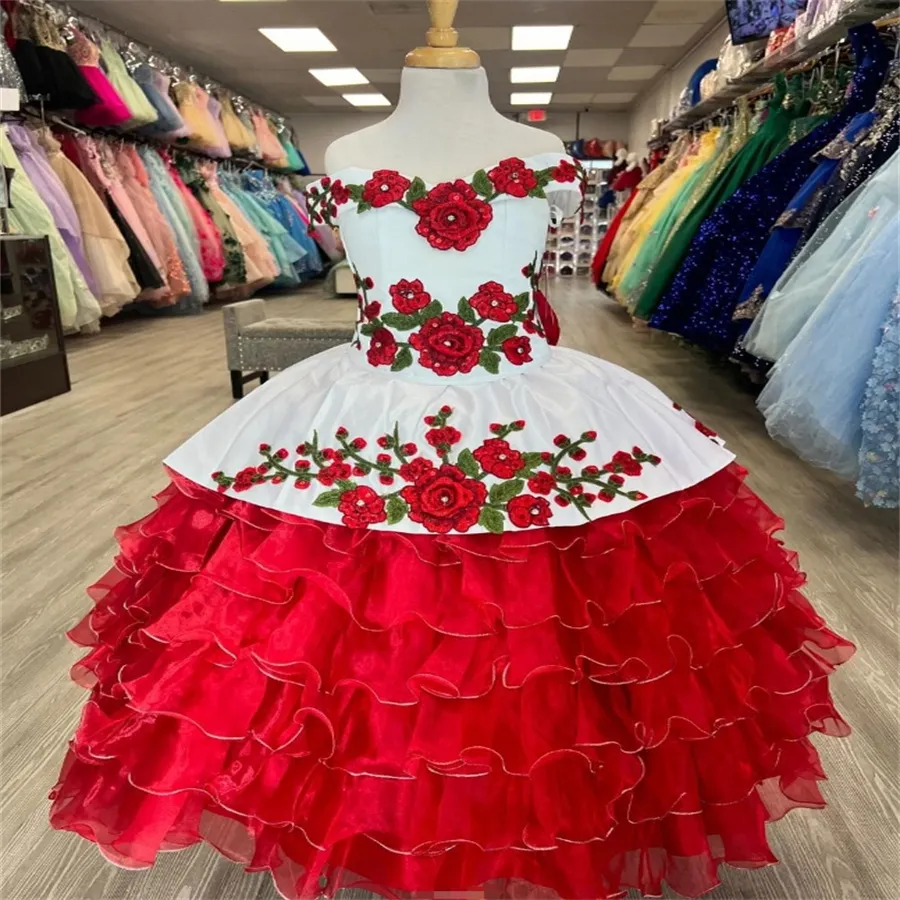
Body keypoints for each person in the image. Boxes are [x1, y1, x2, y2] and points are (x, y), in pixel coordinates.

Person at [49, 10, 853, 900]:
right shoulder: (352, 152)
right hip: (372, 392)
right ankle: (383, 811)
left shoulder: (537, 158)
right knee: (346, 628)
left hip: (526, 394)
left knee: (567, 629)